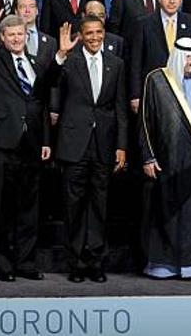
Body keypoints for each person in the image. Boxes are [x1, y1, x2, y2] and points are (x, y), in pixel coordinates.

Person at [0, 13, 58, 282]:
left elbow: (39, 104)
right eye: (12, 35)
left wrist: (45, 141)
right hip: (0, 143)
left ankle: (26, 264)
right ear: (3, 39)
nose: (17, 39)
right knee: (1, 209)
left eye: (21, 34)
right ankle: (4, 266)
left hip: (30, 145)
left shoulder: (35, 63)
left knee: (29, 210)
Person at [52, 17, 128, 283]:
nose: (94, 37)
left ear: (104, 33)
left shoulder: (116, 64)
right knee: (73, 206)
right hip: (74, 144)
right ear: (81, 36)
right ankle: (75, 263)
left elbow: (120, 107)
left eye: (98, 32)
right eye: (89, 33)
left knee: (99, 206)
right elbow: (49, 82)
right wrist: (60, 54)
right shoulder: (69, 62)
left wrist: (121, 145)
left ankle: (95, 262)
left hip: (104, 145)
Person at [140, 37, 191, 280]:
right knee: (169, 214)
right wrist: (148, 157)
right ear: (178, 57)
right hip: (167, 160)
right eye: (190, 57)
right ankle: (166, 267)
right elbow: (144, 121)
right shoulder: (157, 80)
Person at [129, 0, 191, 113]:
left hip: (184, 90)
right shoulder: (143, 24)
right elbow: (136, 62)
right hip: (153, 89)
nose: (172, 1)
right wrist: (135, 95)